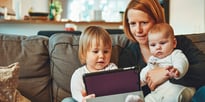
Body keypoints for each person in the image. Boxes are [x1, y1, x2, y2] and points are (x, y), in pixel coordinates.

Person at [119, 0, 205, 100]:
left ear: (157, 21)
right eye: (133, 24)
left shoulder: (180, 43)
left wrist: (166, 73)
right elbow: (125, 91)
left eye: (144, 23)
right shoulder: (128, 56)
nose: (138, 30)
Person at [140, 23, 195, 101]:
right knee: (149, 98)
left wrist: (177, 70)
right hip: (158, 93)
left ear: (174, 43)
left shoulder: (175, 54)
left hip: (179, 88)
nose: (158, 47)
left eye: (162, 43)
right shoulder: (152, 60)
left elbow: (182, 62)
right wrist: (140, 80)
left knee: (173, 94)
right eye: (153, 45)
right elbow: (146, 71)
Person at [70, 26, 118, 102]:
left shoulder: (112, 69)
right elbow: (76, 95)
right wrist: (83, 100)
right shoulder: (78, 74)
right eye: (95, 52)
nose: (102, 56)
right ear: (84, 54)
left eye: (105, 52)